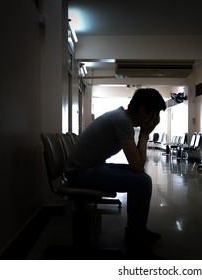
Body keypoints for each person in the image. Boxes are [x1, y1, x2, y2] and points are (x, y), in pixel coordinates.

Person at [64, 87, 166, 259]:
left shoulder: (120, 117)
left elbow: (137, 165)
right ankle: (135, 238)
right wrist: (145, 134)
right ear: (142, 110)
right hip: (82, 173)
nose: (156, 120)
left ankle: (135, 230)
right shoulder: (122, 122)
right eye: (154, 115)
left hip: (86, 168)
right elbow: (138, 166)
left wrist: (143, 134)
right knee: (142, 181)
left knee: (141, 180)